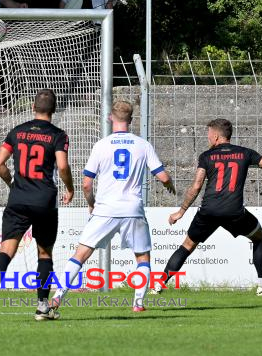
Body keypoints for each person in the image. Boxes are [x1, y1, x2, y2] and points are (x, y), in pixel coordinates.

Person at [151, 118, 262, 296]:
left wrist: (181, 211)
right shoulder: (245, 153)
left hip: (208, 211)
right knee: (259, 237)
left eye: (209, 135)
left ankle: (159, 285)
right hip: (234, 212)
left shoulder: (206, 156)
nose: (208, 138)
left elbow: (196, 186)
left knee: (187, 246)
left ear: (216, 136)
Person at [50, 100, 176, 314]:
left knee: (80, 255)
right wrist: (169, 184)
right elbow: (162, 176)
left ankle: (57, 298)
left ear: (110, 118)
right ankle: (138, 303)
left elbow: (86, 183)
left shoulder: (101, 145)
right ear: (131, 120)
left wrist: (91, 204)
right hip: (132, 209)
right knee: (142, 257)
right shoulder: (143, 145)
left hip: (105, 209)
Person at [0, 89, 75, 324]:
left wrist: (12, 183)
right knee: (44, 253)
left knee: (5, 250)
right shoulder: (58, 135)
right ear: (53, 110)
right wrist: (69, 188)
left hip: (18, 200)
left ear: (33, 107)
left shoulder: (18, 131)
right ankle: (42, 307)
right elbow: (62, 166)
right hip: (44, 202)